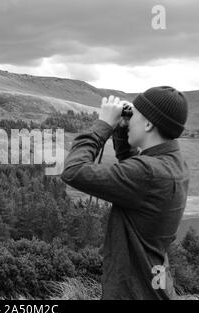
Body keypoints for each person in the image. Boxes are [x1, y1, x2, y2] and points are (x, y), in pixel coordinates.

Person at [61, 86, 189, 300]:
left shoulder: (148, 173)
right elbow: (135, 175)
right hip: (154, 286)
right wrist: (121, 132)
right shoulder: (173, 163)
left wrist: (103, 126)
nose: (130, 120)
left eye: (135, 116)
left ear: (148, 124)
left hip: (133, 293)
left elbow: (73, 171)